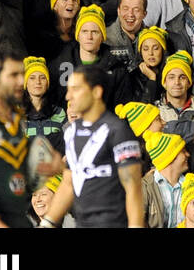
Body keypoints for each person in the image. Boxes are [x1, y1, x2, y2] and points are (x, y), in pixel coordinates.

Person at [40, 65, 146, 228]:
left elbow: (134, 188)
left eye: (76, 89)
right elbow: (68, 184)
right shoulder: (71, 132)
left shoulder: (118, 130)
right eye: (68, 90)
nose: (68, 96)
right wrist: (47, 223)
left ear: (96, 92)